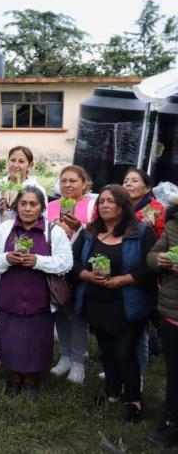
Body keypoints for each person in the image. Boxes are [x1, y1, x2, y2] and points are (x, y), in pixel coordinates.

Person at [72, 184, 156, 422]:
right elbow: (73, 261)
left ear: (122, 205)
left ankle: (134, 401)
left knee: (125, 352)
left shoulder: (140, 232)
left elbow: (150, 266)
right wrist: (86, 275)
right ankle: (112, 394)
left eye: (110, 201)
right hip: (97, 302)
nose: (105, 205)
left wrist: (124, 280)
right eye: (101, 202)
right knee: (107, 351)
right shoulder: (90, 232)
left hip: (129, 303)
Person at [0, 186, 72, 400]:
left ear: (42, 208)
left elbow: (66, 262)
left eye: (33, 204)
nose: (28, 208)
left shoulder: (54, 231)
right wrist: (7, 258)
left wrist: (38, 261)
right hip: (10, 298)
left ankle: (31, 381)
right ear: (17, 206)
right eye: (23, 204)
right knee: (10, 340)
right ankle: (14, 379)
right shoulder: (5, 229)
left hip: (39, 301)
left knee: (37, 342)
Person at [0, 145, 47, 368]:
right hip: (2, 248)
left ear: (30, 165)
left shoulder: (35, 188)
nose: (16, 165)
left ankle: (22, 349)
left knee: (23, 304)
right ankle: (0, 349)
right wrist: (0, 207)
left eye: (22, 161)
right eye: (13, 160)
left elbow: (44, 219)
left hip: (27, 249)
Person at [47, 165, 95, 384]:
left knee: (78, 316)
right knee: (59, 312)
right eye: (63, 180)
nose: (67, 185)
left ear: (84, 184)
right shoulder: (51, 206)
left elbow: (99, 234)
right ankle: (65, 356)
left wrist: (80, 227)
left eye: (73, 181)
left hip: (80, 269)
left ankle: (78, 362)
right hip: (57, 269)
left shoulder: (92, 204)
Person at [123, 167, 166, 382]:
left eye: (134, 180)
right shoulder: (119, 208)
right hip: (121, 269)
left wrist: (151, 230)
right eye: (125, 180)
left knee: (139, 327)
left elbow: (163, 241)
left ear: (147, 187)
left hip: (144, 273)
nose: (128, 183)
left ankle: (137, 375)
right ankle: (118, 367)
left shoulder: (156, 209)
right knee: (120, 321)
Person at [147, 207, 178, 446]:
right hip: (172, 313)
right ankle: (172, 421)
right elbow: (152, 256)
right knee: (174, 372)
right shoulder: (173, 225)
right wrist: (159, 260)